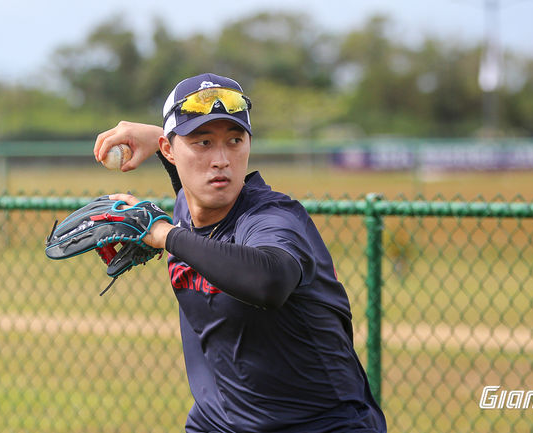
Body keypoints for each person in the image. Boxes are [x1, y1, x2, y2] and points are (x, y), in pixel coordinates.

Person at [94, 73, 387, 432]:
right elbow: (189, 185)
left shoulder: (272, 218)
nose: (221, 159)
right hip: (218, 423)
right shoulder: (192, 205)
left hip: (320, 425)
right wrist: (156, 138)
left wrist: (164, 234)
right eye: (203, 142)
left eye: (235, 140)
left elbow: (270, 281)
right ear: (170, 150)